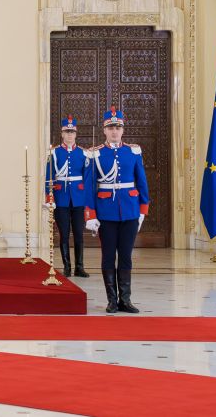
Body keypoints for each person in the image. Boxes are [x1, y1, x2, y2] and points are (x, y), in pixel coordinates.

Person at [84, 106, 150, 314]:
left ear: (123, 130)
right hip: (106, 212)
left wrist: (142, 211)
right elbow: (88, 187)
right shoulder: (95, 155)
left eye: (118, 128)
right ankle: (112, 300)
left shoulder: (133, 152)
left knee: (126, 257)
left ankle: (126, 300)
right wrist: (91, 215)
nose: (114, 132)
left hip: (130, 211)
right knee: (108, 256)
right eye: (111, 128)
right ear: (104, 130)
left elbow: (142, 183)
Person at [44, 115, 91, 278]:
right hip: (61, 197)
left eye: (72, 132)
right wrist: (49, 199)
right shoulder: (54, 153)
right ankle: (67, 267)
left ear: (76, 134)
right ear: (62, 133)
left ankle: (80, 267)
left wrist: (87, 200)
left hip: (78, 198)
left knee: (78, 233)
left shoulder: (84, 154)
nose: (70, 135)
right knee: (64, 234)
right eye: (67, 132)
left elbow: (87, 178)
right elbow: (48, 178)